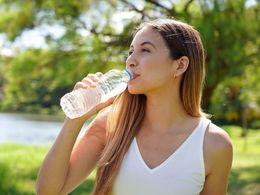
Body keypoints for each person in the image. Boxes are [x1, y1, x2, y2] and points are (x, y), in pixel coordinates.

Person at [36, 18, 233, 195]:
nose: (130, 60)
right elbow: (48, 192)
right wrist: (75, 119)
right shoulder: (111, 125)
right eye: (130, 52)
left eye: (145, 50)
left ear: (180, 65)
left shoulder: (213, 144)